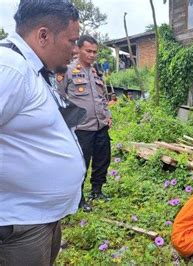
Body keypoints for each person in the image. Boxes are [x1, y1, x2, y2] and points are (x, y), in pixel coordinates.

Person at [0, 1, 85, 265]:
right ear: (43, 35)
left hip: (39, 218)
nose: (75, 50)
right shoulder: (10, 69)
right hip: (19, 225)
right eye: (71, 41)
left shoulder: (32, 69)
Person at [57, 35, 112, 212]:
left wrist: (108, 115)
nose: (92, 55)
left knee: (102, 160)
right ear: (78, 49)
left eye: (95, 52)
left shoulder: (96, 71)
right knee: (80, 165)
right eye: (88, 51)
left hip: (100, 125)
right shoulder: (67, 70)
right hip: (81, 128)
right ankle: (79, 198)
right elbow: (58, 96)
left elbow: (102, 97)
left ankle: (97, 190)